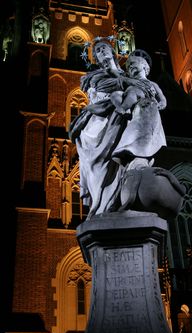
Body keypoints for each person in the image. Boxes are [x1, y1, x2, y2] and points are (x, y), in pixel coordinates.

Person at [69, 41, 167, 219]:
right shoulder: (96, 75)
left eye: (104, 48)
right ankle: (103, 203)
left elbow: (150, 95)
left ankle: (131, 177)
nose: (101, 51)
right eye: (97, 51)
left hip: (124, 115)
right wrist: (126, 82)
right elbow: (103, 88)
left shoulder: (128, 72)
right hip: (103, 115)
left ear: (113, 52)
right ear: (96, 58)